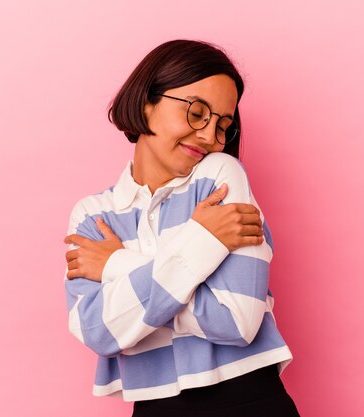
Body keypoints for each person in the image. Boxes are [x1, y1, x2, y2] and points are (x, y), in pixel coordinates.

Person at [63, 39, 300, 417]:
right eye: (197, 112)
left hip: (248, 398)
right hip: (153, 406)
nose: (210, 136)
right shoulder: (93, 216)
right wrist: (202, 241)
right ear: (146, 101)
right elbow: (100, 332)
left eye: (223, 124)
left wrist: (118, 265)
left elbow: (237, 320)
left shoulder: (219, 176)